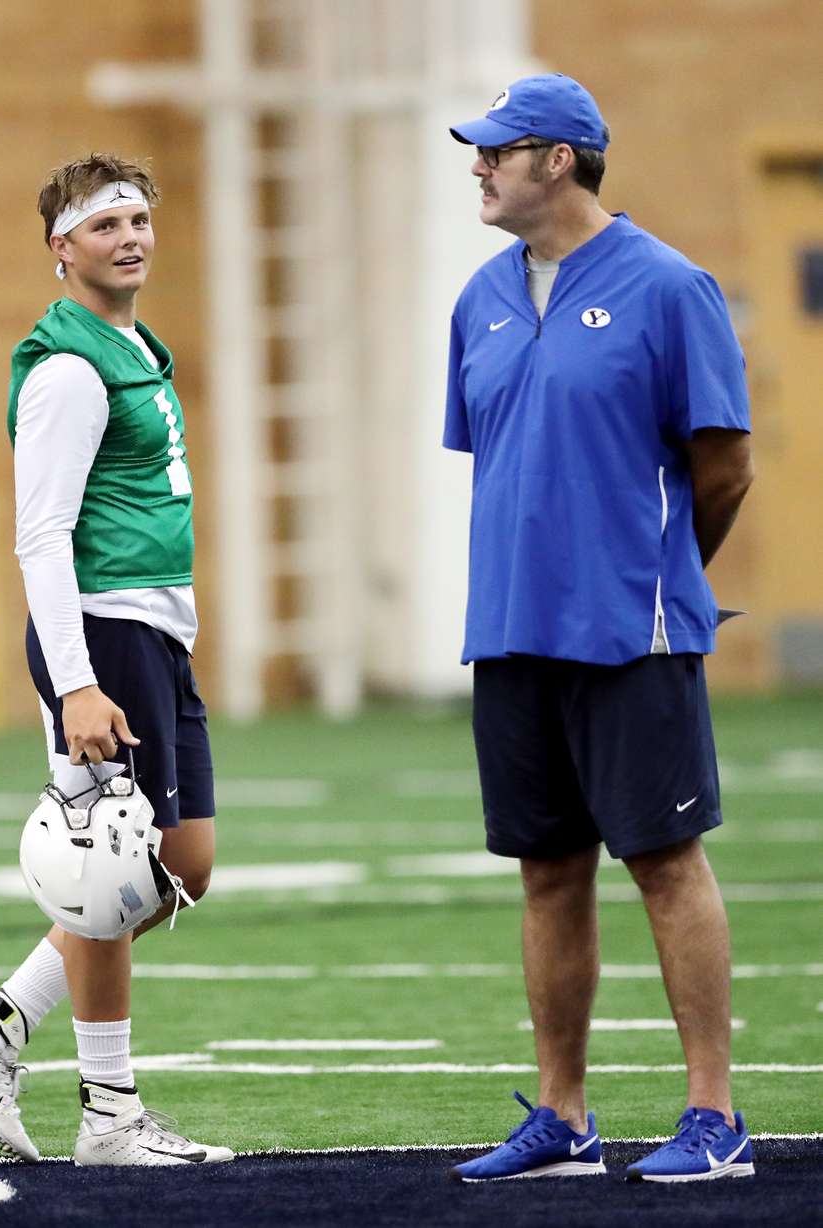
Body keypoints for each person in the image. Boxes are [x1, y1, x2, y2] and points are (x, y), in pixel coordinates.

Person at [443, 75, 755, 1183]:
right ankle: (564, 1116)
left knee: (667, 864)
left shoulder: (672, 287)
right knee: (545, 870)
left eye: (495, 150)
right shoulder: (477, 299)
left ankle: (714, 1116)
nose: (477, 165)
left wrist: (664, 575)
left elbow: (724, 466)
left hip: (634, 632)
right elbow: (506, 463)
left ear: (560, 159)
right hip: (512, 631)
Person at [0, 153, 234, 1167]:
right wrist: (79, 679)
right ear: (62, 248)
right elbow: (41, 533)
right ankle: (110, 1115)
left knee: (179, 866)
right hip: (100, 632)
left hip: (151, 631)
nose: (130, 238)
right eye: (105, 225)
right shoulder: (68, 366)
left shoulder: (138, 344)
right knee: (111, 874)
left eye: (140, 218)